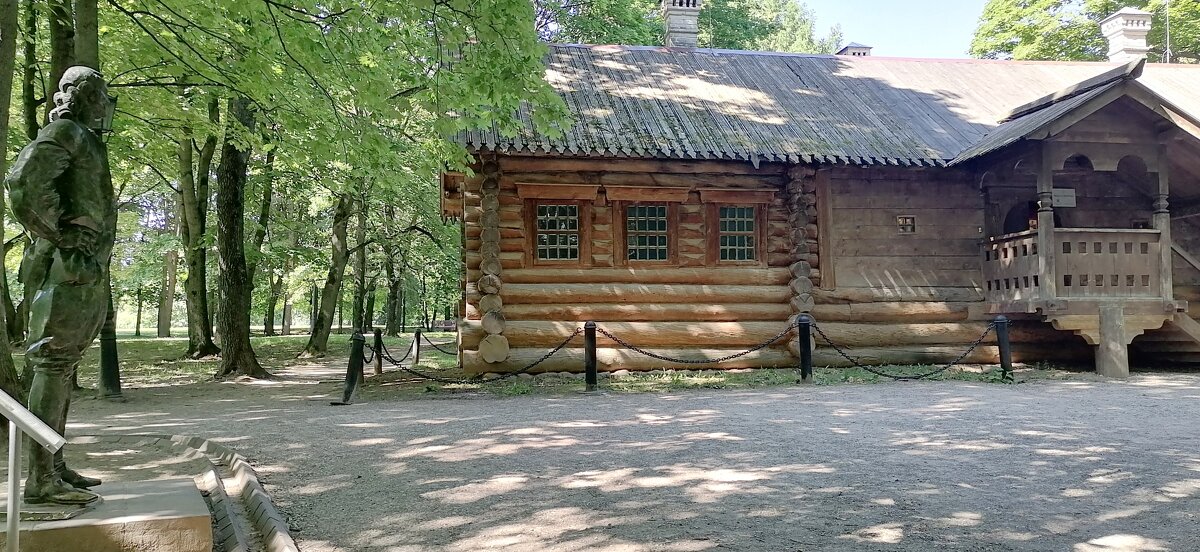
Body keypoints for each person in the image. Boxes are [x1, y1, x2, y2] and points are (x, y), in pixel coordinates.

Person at [4, 66, 117, 505]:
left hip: (84, 267)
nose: (105, 106)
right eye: (100, 97)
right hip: (65, 268)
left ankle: (53, 464)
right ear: (83, 97)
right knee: (51, 366)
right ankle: (40, 480)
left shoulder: (85, 138)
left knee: (62, 368)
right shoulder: (66, 132)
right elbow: (23, 182)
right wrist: (58, 233)